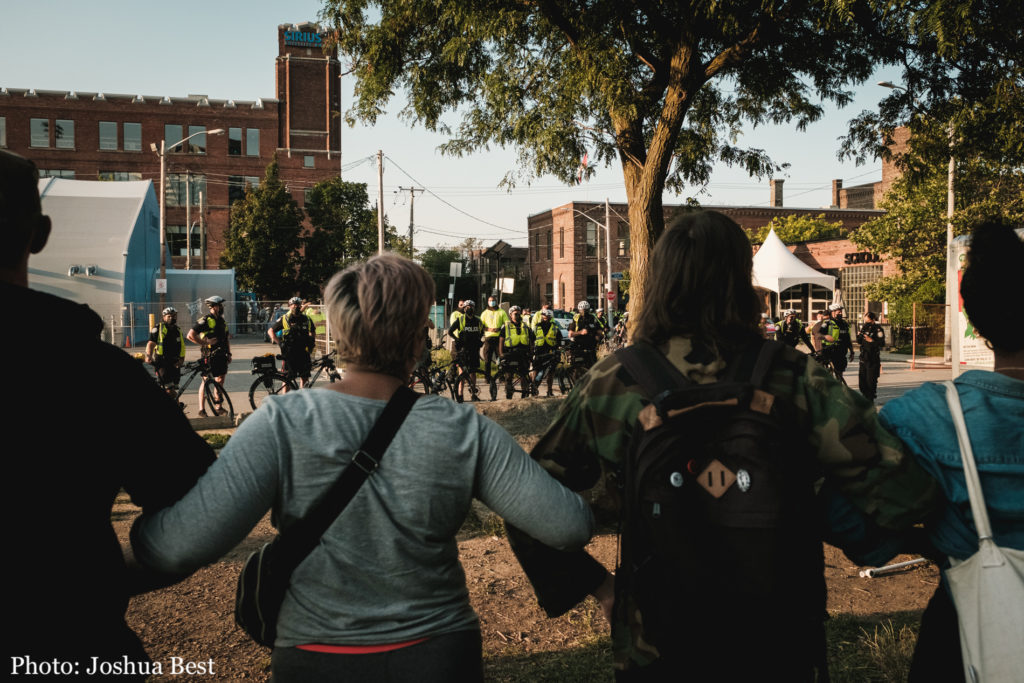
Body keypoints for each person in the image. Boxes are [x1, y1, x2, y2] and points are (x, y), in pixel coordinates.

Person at [506, 210, 938, 681]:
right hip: (780, 636)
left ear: (658, 282)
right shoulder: (795, 376)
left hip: (657, 641)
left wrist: (601, 587)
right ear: (740, 281)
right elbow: (902, 491)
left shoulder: (614, 382)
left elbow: (526, 504)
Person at [131, 253, 595, 683]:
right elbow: (567, 526)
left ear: (338, 332)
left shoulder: (280, 423)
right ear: (418, 337)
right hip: (439, 652)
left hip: (314, 654)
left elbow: (180, 547)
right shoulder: (463, 429)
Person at [0, 150, 216, 677]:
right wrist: (104, 577)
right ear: (40, 234)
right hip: (72, 646)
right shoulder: (95, 372)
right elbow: (203, 503)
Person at [874, 219, 1024, 682]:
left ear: (973, 317)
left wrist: (935, 541)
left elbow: (858, 530)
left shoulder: (927, 417)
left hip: (966, 628)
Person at [187, 294, 232, 416]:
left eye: (221, 305)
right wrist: (205, 343)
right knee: (206, 380)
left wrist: (229, 353)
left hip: (222, 354)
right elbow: (190, 335)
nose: (221, 307)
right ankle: (202, 409)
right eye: (219, 305)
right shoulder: (205, 320)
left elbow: (226, 338)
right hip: (209, 355)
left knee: (220, 380)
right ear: (213, 306)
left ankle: (218, 407)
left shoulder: (222, 321)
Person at [271, 296, 315, 388]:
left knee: (305, 377)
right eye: (293, 305)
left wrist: (311, 341)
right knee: (287, 379)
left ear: (300, 306)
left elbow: (312, 331)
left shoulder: (307, 319)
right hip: (289, 353)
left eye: (297, 305)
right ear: (289, 306)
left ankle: (303, 396)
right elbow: (270, 331)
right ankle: (285, 397)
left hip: (303, 352)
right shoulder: (285, 318)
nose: (295, 306)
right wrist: (279, 343)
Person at [448, 299, 483, 402]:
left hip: (474, 350)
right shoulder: (460, 319)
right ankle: (460, 394)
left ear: (474, 308)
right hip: (463, 350)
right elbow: (450, 331)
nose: (469, 309)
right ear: (464, 309)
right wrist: (457, 339)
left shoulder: (478, 320)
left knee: (473, 373)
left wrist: (479, 339)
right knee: (462, 373)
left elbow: (482, 331)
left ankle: (473, 394)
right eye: (467, 307)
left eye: (471, 307)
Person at [146, 306, 186, 395]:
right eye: (169, 316)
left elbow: (182, 346)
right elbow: (151, 343)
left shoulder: (177, 330)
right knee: (169, 389)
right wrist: (148, 356)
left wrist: (181, 359)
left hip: (175, 363)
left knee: (173, 388)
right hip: (162, 363)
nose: (172, 318)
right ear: (164, 317)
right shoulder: (158, 328)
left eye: (174, 316)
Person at [498, 305, 534, 399]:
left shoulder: (525, 326)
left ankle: (524, 393)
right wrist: (501, 353)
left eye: (519, 313)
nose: (517, 315)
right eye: (515, 314)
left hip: (523, 353)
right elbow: (501, 340)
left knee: (524, 375)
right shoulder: (506, 326)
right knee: (509, 375)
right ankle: (509, 393)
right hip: (510, 353)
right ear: (510, 315)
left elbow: (531, 341)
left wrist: (531, 353)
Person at [857, 311, 885, 403]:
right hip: (863, 357)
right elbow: (859, 341)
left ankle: (870, 400)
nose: (866, 323)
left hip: (873, 358)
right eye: (865, 321)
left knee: (871, 381)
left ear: (873, 320)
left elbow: (882, 343)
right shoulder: (864, 328)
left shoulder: (878, 329)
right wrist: (858, 336)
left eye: (868, 321)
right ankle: (865, 396)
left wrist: (871, 341)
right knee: (862, 382)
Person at [531, 308, 561, 397]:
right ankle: (533, 389)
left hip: (551, 352)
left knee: (550, 373)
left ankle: (549, 391)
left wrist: (558, 349)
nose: (545, 318)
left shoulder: (555, 327)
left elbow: (559, 339)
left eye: (547, 316)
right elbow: (531, 340)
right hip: (539, 352)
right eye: (543, 316)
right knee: (536, 370)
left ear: (550, 317)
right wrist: (531, 350)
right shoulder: (537, 327)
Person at [479, 295, 509, 381]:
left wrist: (500, 329)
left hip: (499, 339)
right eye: (490, 300)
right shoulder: (484, 313)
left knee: (500, 358)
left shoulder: (501, 312)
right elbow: (480, 325)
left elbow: (507, 323)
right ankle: (487, 377)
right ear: (488, 302)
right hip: (488, 338)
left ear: (496, 301)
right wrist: (488, 329)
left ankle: (501, 377)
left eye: (493, 300)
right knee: (487, 359)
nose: (491, 302)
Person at [822, 302, 854, 380]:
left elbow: (848, 339)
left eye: (841, 312)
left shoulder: (845, 324)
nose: (841, 313)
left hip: (841, 352)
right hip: (830, 352)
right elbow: (819, 335)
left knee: (839, 374)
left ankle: (838, 384)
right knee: (829, 374)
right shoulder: (826, 323)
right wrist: (826, 337)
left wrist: (852, 351)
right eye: (838, 312)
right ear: (832, 312)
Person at [568, 300, 600, 368]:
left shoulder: (592, 318)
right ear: (579, 310)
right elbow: (570, 334)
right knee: (577, 366)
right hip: (578, 346)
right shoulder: (576, 319)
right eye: (582, 310)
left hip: (590, 347)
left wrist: (598, 336)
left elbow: (599, 331)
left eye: (586, 310)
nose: (584, 312)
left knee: (593, 367)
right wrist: (580, 332)